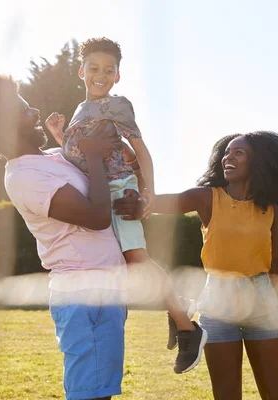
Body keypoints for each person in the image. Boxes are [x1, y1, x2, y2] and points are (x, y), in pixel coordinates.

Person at [0, 74, 130, 400]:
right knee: (89, 396)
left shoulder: (53, 157)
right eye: (23, 110)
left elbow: (104, 196)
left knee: (102, 391)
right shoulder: (23, 176)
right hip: (82, 295)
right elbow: (95, 217)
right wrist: (92, 154)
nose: (34, 111)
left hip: (106, 290)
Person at [45, 37, 206, 373]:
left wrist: (148, 193)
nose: (100, 75)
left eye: (109, 69)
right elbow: (85, 155)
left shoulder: (118, 104)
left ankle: (188, 326)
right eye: (93, 68)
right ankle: (178, 306)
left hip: (120, 189)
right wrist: (59, 136)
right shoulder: (79, 110)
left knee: (136, 258)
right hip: (96, 191)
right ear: (81, 71)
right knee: (124, 262)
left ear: (118, 75)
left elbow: (140, 150)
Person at [114, 132, 278, 400]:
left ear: (258, 161)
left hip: (263, 303)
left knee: (276, 394)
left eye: (239, 153)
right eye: (227, 152)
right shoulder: (206, 198)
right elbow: (152, 204)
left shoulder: (271, 209)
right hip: (218, 303)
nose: (228, 157)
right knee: (226, 395)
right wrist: (133, 183)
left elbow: (276, 263)